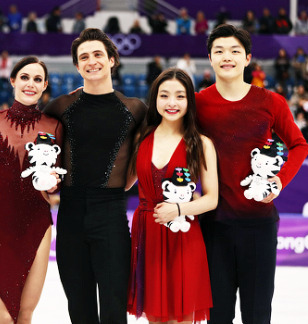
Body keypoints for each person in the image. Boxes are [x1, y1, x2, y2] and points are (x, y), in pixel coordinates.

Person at [196, 24, 308, 324]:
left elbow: (299, 145)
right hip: (212, 225)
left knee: (257, 315)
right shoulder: (197, 104)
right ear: (210, 58)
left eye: (234, 51)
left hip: (259, 225)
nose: (226, 57)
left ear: (247, 59)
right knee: (217, 315)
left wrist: (280, 180)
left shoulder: (271, 102)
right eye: (219, 51)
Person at [43, 28, 147, 324]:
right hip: (71, 212)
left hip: (111, 213)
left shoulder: (134, 109)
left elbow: (145, 157)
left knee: (114, 309)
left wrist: (124, 187)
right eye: (84, 57)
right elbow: (36, 142)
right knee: (80, 307)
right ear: (77, 66)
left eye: (98, 54)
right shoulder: (61, 106)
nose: (92, 61)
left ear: (112, 59)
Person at [0, 56, 62, 323]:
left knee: (25, 314)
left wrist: (54, 184)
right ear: (12, 81)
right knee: (2, 316)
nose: (30, 84)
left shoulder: (54, 126)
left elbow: (58, 178)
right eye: (24, 77)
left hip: (37, 223)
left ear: (45, 85)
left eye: (37, 79)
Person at [127, 67, 216, 323]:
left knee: (182, 317)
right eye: (165, 95)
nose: (172, 102)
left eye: (180, 96)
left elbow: (211, 199)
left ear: (189, 101)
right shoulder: (141, 138)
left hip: (183, 235)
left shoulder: (201, 143)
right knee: (155, 316)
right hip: (147, 233)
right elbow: (123, 183)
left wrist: (178, 209)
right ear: (155, 99)